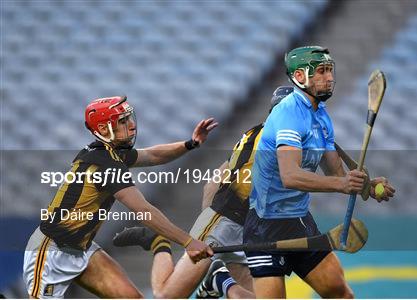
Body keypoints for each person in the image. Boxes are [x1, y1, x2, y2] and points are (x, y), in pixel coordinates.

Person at [23, 96, 216, 298]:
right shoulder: (104, 163)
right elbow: (144, 211)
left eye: (129, 118)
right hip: (51, 253)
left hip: (84, 249)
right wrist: (189, 242)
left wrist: (190, 144)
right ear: (104, 129)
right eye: (123, 121)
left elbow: (152, 155)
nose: (132, 126)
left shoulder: (111, 152)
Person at [112, 86, 295, 299]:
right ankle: (159, 243)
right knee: (166, 296)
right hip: (225, 223)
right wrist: (208, 229)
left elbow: (214, 180)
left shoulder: (262, 134)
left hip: (250, 231)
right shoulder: (272, 142)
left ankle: (219, 279)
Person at [243, 46, 395, 298]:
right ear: (300, 77)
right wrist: (343, 185)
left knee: (340, 293)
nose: (329, 77)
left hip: (299, 221)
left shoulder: (320, 115)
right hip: (265, 226)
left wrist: (366, 186)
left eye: (329, 70)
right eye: (321, 72)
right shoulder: (288, 113)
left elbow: (337, 173)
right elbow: (289, 176)